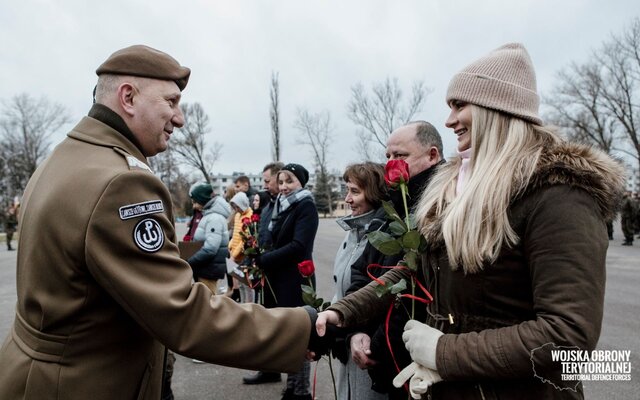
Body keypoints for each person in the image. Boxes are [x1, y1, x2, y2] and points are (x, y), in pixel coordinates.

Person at [0, 45, 327, 400]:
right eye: (171, 102)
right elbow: (183, 314)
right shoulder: (121, 181)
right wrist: (303, 326)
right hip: (86, 383)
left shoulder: (66, 158)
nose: (180, 118)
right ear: (128, 97)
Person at [317, 43, 625, 399]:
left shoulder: (560, 195)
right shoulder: (457, 187)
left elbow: (568, 335)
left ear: (497, 108)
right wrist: (345, 311)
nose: (448, 121)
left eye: (460, 105)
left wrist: (443, 352)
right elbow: (413, 270)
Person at [347, 121, 444, 399]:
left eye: (399, 156)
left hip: (423, 363)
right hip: (386, 359)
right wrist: (357, 331)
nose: (390, 163)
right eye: (387, 156)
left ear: (432, 155)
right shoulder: (388, 210)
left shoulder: (442, 207)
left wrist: (377, 344)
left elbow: (415, 287)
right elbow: (363, 274)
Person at [247, 163, 319, 400]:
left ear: (301, 182)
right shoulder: (279, 205)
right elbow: (271, 237)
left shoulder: (305, 205)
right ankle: (291, 386)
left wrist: (266, 259)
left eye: (290, 181)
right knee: (284, 333)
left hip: (295, 278)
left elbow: (299, 246)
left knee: (297, 333)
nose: (284, 186)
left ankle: (300, 391)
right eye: (281, 181)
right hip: (278, 277)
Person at [332, 162, 388, 400]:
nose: (348, 199)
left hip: (367, 346)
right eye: (348, 191)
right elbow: (340, 292)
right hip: (347, 339)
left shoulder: (384, 235)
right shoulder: (351, 233)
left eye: (355, 191)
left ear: (373, 194)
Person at [186, 183, 231, 294]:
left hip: (208, 269)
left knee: (209, 301)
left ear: (202, 200)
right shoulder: (209, 215)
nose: (194, 206)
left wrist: (190, 261)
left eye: (195, 202)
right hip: (206, 268)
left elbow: (211, 248)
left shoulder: (214, 218)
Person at [228, 191, 255, 303]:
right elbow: (236, 234)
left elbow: (246, 238)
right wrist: (230, 246)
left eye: (237, 206)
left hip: (243, 255)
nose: (236, 209)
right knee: (240, 283)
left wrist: (235, 254)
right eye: (234, 206)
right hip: (235, 254)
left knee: (247, 284)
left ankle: (249, 307)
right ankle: (243, 306)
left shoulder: (250, 215)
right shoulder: (238, 215)